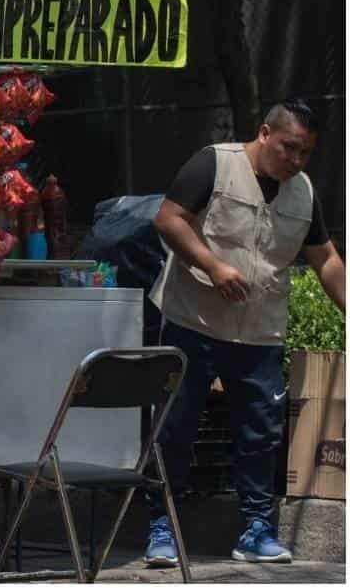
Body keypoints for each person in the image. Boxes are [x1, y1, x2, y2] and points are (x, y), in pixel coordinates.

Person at [146, 100, 344, 566]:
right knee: (176, 427)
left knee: (261, 435)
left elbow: (327, 259)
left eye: (306, 153)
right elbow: (168, 219)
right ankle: (162, 527)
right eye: (289, 148)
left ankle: (256, 530)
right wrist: (212, 265)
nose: (295, 161)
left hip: (259, 331)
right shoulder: (214, 162)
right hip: (191, 320)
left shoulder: (303, 191)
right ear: (264, 133)